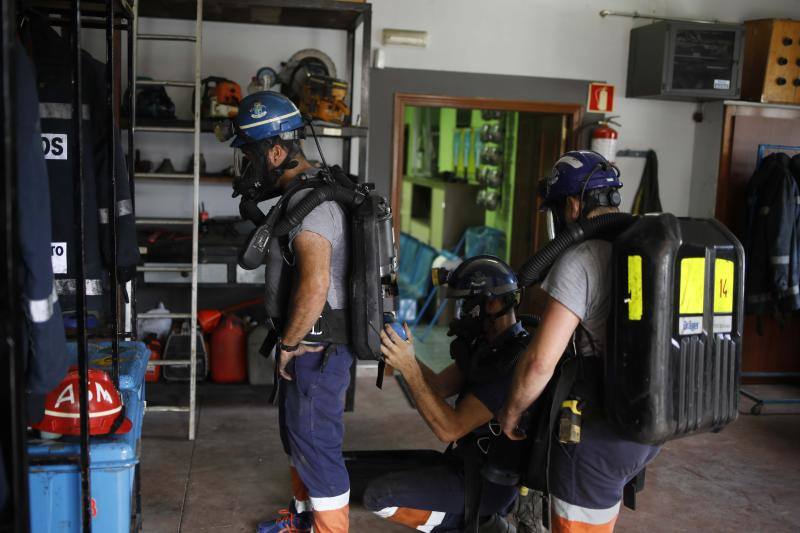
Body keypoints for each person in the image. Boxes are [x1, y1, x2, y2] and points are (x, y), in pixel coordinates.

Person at [498, 150, 660, 532]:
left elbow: (541, 361)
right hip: (647, 422)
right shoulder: (643, 248)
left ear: (572, 205)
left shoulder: (584, 257)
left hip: (598, 431)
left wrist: (512, 409)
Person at [223, 91, 353, 533]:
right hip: (308, 348)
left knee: (317, 446)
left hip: (316, 349)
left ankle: (330, 529)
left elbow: (315, 285)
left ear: (276, 151)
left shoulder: (312, 204)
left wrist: (289, 345)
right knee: (299, 439)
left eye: (250, 156)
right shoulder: (300, 196)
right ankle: (302, 520)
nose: (246, 168)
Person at [363, 256, 528, 533]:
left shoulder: (511, 364)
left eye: (467, 305)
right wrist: (404, 355)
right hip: (467, 463)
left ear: (493, 303)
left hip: (487, 486)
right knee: (372, 471)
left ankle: (474, 525)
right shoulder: (492, 348)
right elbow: (438, 387)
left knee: (378, 497)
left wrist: (410, 369)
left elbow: (449, 429)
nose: (463, 314)